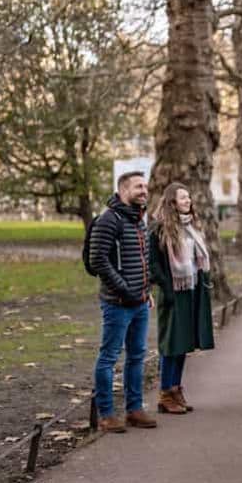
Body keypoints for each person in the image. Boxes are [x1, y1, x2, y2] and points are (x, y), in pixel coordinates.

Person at [89, 171, 156, 433]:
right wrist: (125, 289)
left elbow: (142, 259)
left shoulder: (139, 219)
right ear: (123, 189)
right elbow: (98, 261)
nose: (144, 191)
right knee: (109, 357)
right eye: (139, 186)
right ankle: (106, 415)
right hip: (117, 303)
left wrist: (145, 289)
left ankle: (134, 410)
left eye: (145, 186)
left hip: (140, 302)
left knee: (137, 356)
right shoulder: (109, 220)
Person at [149, 182, 215, 415]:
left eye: (189, 197)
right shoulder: (159, 229)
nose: (188, 201)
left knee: (184, 344)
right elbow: (153, 264)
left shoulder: (191, 227)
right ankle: (165, 394)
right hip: (173, 293)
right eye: (183, 198)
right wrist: (166, 288)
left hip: (191, 291)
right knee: (171, 345)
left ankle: (176, 389)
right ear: (172, 202)